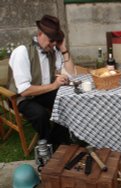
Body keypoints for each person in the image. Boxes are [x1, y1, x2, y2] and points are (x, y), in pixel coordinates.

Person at [8, 14, 75, 144]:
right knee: (41, 115)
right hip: (22, 98)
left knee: (67, 102)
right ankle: (47, 145)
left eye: (56, 40)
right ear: (39, 34)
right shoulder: (22, 52)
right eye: (51, 40)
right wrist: (54, 85)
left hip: (43, 92)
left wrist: (64, 49)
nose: (53, 43)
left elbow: (72, 75)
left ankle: (60, 141)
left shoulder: (53, 50)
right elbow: (24, 90)